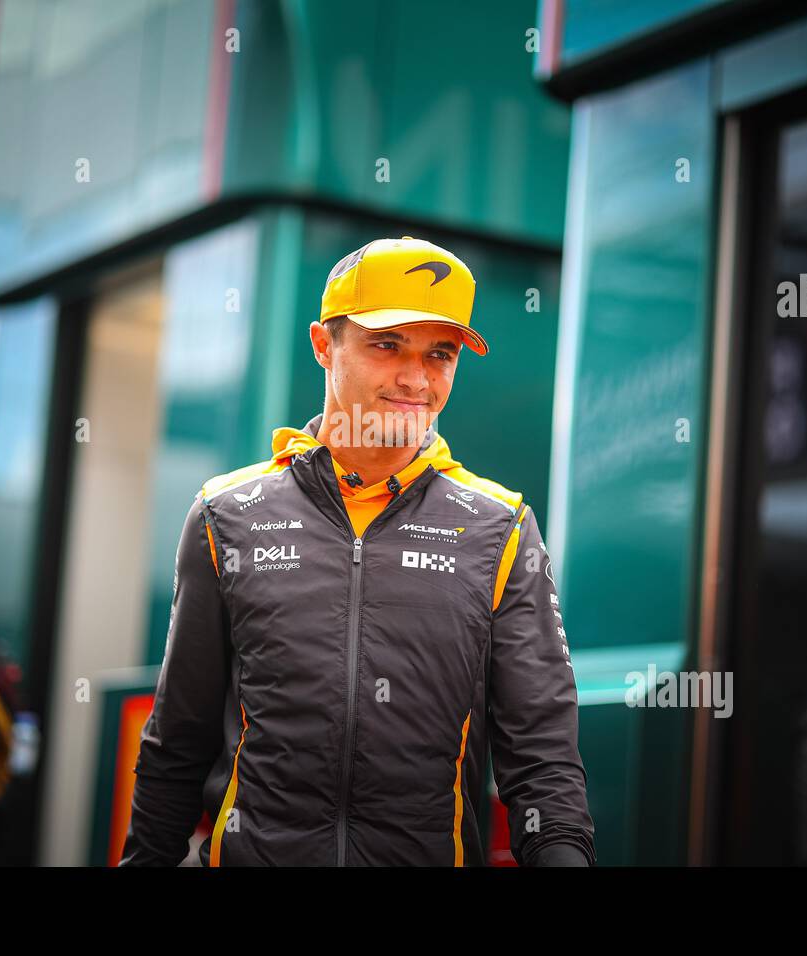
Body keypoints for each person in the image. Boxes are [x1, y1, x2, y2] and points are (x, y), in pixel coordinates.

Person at [122, 235, 595, 866]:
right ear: (323, 344)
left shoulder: (499, 527)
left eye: (440, 354)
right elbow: (176, 743)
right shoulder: (226, 513)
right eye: (387, 344)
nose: (415, 378)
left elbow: (543, 761)